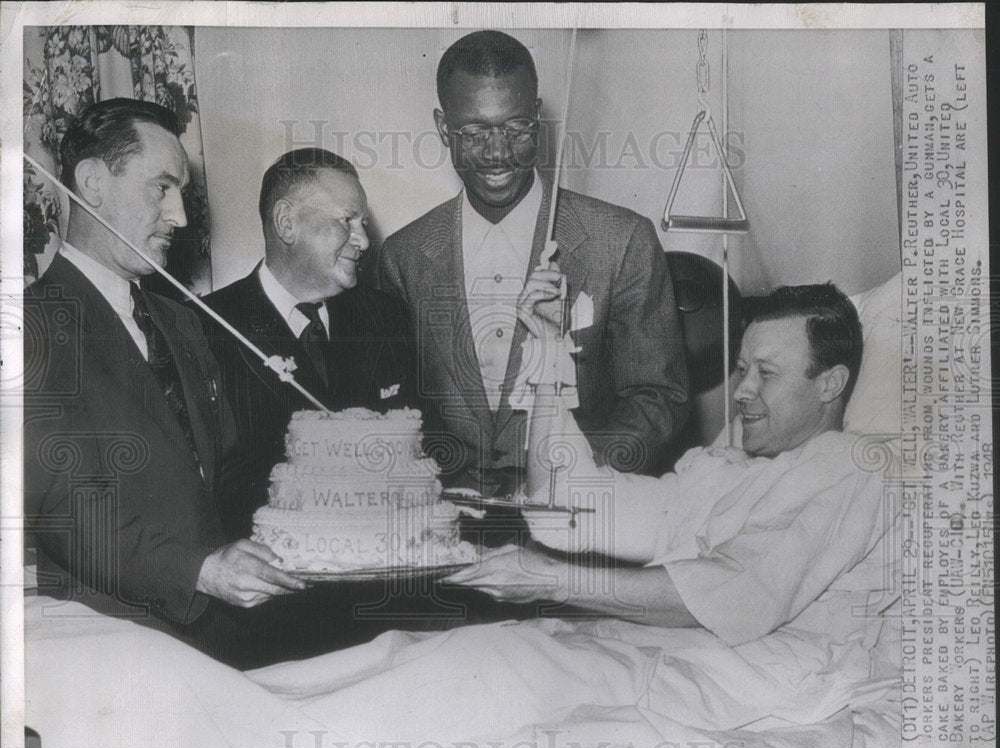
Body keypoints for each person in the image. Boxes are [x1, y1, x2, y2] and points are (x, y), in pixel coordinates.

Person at [448, 283, 892, 648]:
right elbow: (564, 506)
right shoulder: (724, 472)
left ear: (830, 383)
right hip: (646, 655)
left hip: (741, 682)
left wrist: (551, 581)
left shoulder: (849, 468)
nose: (741, 391)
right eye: (741, 369)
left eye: (767, 373)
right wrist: (547, 352)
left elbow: (737, 595)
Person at [23, 98, 306, 665]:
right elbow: (66, 509)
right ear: (93, 184)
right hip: (111, 649)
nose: (179, 216)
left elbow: (226, 468)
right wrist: (198, 570)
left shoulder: (179, 319)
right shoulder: (27, 327)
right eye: (161, 188)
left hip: (216, 635)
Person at [377, 30, 689, 497]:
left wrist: (567, 475)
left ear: (539, 118)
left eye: (517, 128)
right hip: (448, 521)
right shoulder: (402, 256)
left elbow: (658, 398)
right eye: (475, 132)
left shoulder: (622, 239)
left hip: (579, 517)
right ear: (444, 128)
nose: (499, 152)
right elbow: (395, 411)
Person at [202, 148, 417, 537]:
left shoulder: (389, 317)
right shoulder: (203, 327)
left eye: (364, 222)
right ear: (287, 222)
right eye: (347, 220)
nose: (364, 241)